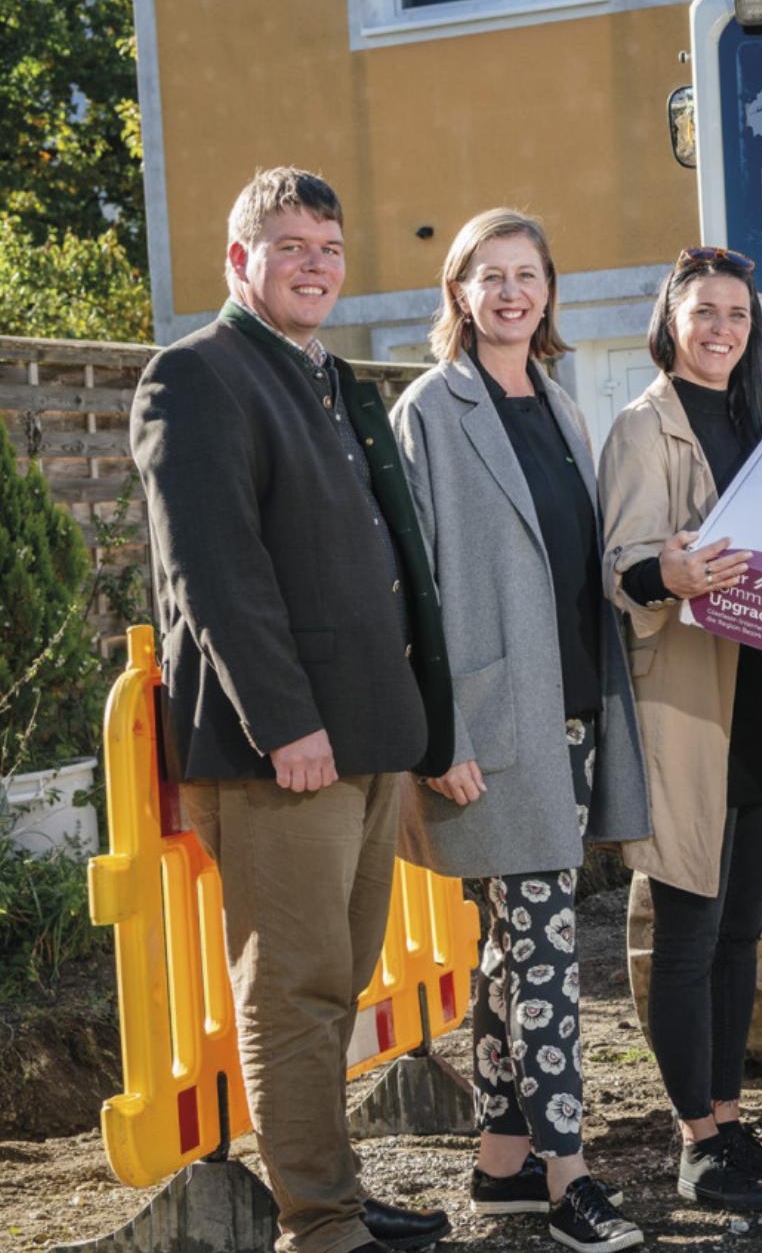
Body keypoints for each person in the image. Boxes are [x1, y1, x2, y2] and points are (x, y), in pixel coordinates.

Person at [130, 167, 456, 1253]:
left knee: (339, 985)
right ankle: (319, 1227)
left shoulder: (327, 378)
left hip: (367, 736)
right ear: (239, 261)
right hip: (286, 752)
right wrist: (284, 724)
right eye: (289, 245)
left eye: (328, 244)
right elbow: (214, 570)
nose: (314, 263)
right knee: (294, 993)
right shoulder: (199, 375)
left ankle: (340, 1198)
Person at [388, 209, 651, 1253]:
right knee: (546, 952)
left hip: (575, 714)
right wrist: (436, 732)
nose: (510, 293)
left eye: (527, 275)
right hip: (490, 733)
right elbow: (413, 587)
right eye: (488, 276)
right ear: (457, 292)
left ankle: (499, 1161)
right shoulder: (429, 409)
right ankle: (570, 1179)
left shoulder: (561, 405)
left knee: (510, 946)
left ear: (549, 290)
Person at [599, 246, 762, 1213]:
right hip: (693, 708)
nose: (722, 327)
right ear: (672, 318)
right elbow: (620, 565)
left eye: (737, 313)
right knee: (688, 933)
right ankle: (695, 1144)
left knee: (740, 932)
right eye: (705, 311)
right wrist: (668, 573)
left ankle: (730, 1120)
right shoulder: (642, 427)